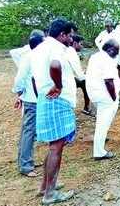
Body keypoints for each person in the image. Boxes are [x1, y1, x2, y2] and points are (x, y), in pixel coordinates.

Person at [30, 18, 77, 205]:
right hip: (56, 99)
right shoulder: (56, 47)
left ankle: (45, 186)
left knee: (53, 146)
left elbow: (34, 78)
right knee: (57, 147)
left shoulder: (39, 48)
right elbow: (55, 66)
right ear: (62, 35)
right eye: (70, 35)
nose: (71, 39)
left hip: (44, 98)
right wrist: (58, 85)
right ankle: (49, 194)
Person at [12, 34, 44, 178]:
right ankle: (25, 165)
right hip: (32, 101)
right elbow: (19, 79)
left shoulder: (36, 57)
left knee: (31, 132)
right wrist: (19, 94)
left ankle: (27, 161)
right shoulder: (29, 57)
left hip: (36, 100)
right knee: (29, 132)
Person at [86, 39, 120, 160]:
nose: (117, 53)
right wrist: (114, 98)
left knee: (101, 122)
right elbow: (109, 81)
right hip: (105, 96)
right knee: (102, 124)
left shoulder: (95, 56)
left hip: (95, 94)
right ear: (110, 49)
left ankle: (99, 145)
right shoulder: (106, 60)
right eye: (117, 51)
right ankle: (99, 152)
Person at [66, 35, 92, 115]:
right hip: (67, 79)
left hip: (66, 77)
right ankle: (87, 108)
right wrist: (86, 76)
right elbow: (78, 72)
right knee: (85, 83)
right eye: (80, 44)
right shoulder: (72, 52)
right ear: (74, 43)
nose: (82, 46)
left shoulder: (67, 50)